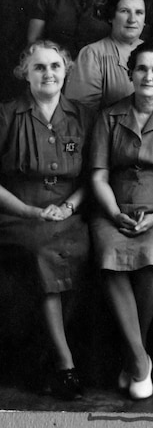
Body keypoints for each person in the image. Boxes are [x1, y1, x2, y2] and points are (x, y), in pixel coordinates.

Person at [89, 43, 153, 400]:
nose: (149, 76)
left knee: (150, 260)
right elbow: (99, 175)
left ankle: (133, 354)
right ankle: (140, 361)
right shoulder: (109, 116)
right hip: (113, 208)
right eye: (142, 69)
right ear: (130, 73)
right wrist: (114, 212)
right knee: (109, 260)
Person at [0, 41, 94, 400]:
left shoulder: (83, 116)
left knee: (82, 253)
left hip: (68, 211)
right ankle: (65, 365)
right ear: (25, 73)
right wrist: (28, 212)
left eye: (55, 66)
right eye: (39, 67)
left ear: (66, 70)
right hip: (17, 212)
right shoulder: (8, 114)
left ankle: (44, 357)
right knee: (43, 251)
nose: (48, 74)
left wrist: (70, 206)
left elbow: (92, 176)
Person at [65, 0, 146, 110]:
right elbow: (81, 114)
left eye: (139, 12)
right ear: (111, 16)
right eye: (124, 11)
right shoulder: (92, 54)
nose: (132, 19)